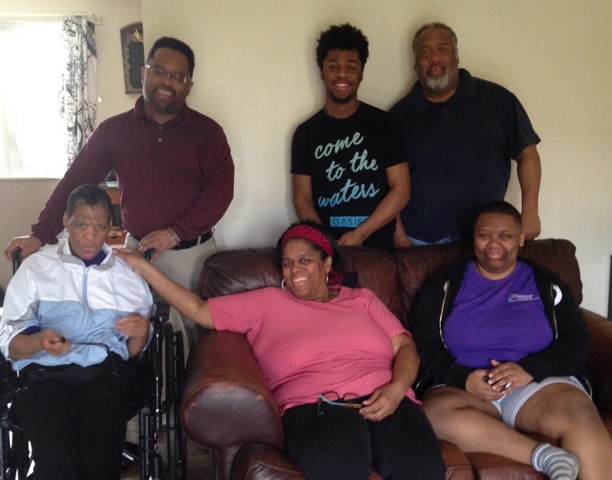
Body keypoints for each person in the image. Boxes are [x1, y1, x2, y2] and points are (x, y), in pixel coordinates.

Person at [115, 221, 445, 479]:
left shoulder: (362, 300)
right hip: (314, 406)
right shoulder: (267, 302)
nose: (295, 270)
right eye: (287, 263)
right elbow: (200, 311)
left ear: (327, 263)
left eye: (305, 260)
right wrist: (145, 269)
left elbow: (405, 347)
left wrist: (396, 389)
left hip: (385, 397)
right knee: (338, 469)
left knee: (421, 467)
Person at [4, 36, 234, 340]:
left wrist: (176, 232)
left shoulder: (208, 132)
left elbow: (221, 191)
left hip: (192, 256)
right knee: (131, 339)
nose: (167, 82)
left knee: (198, 346)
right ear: (144, 73)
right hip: (137, 252)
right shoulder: (114, 131)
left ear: (188, 85)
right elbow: (75, 181)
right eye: (160, 71)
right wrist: (39, 234)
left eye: (178, 77)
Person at [409, 200, 612, 480]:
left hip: (536, 387)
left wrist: (530, 369)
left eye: (505, 236)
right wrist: (463, 378)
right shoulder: (444, 285)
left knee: (580, 414)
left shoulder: (546, 283)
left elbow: (577, 343)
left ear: (521, 238)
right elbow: (424, 345)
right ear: (473, 237)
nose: (493, 244)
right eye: (484, 235)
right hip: (465, 391)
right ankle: (544, 456)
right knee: (433, 417)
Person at [0, 184, 153, 480]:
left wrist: (140, 334)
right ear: (66, 221)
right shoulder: (36, 269)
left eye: (100, 227)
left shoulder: (127, 275)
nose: (90, 235)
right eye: (81, 224)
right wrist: (39, 340)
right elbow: (11, 343)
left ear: (110, 228)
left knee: (100, 462)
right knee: (58, 461)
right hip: (45, 375)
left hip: (105, 374)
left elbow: (132, 352)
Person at [390, 22, 542, 247]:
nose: (435, 59)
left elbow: (527, 154)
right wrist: (399, 237)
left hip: (486, 240)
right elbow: (386, 184)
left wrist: (530, 212)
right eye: (425, 52)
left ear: (456, 57)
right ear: (415, 64)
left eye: (443, 49)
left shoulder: (497, 100)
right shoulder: (397, 117)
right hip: (421, 243)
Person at [291, 24, 410, 250]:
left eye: (351, 67)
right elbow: (301, 199)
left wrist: (360, 234)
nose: (342, 74)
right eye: (333, 66)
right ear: (321, 71)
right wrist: (326, 243)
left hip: (378, 248)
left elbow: (401, 190)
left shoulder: (384, 124)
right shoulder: (306, 133)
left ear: (362, 73)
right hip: (326, 251)